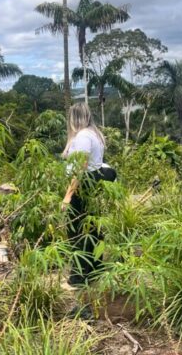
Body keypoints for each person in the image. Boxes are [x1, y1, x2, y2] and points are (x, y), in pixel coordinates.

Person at [61, 103, 116, 287]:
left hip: (83, 186)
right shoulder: (94, 134)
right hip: (91, 184)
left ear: (74, 118)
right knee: (92, 229)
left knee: (77, 231)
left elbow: (80, 167)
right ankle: (95, 268)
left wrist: (68, 196)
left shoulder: (83, 136)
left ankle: (79, 276)